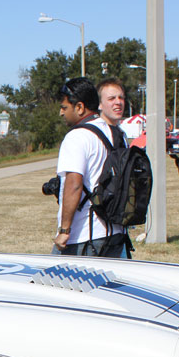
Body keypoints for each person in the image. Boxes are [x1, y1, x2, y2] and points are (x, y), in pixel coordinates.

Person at [52, 77, 129, 258]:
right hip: (116, 232)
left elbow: (74, 185)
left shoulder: (77, 136)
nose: (61, 113)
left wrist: (64, 230)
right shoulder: (116, 133)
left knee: (57, 283)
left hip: (84, 234)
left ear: (79, 107)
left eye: (64, 107)